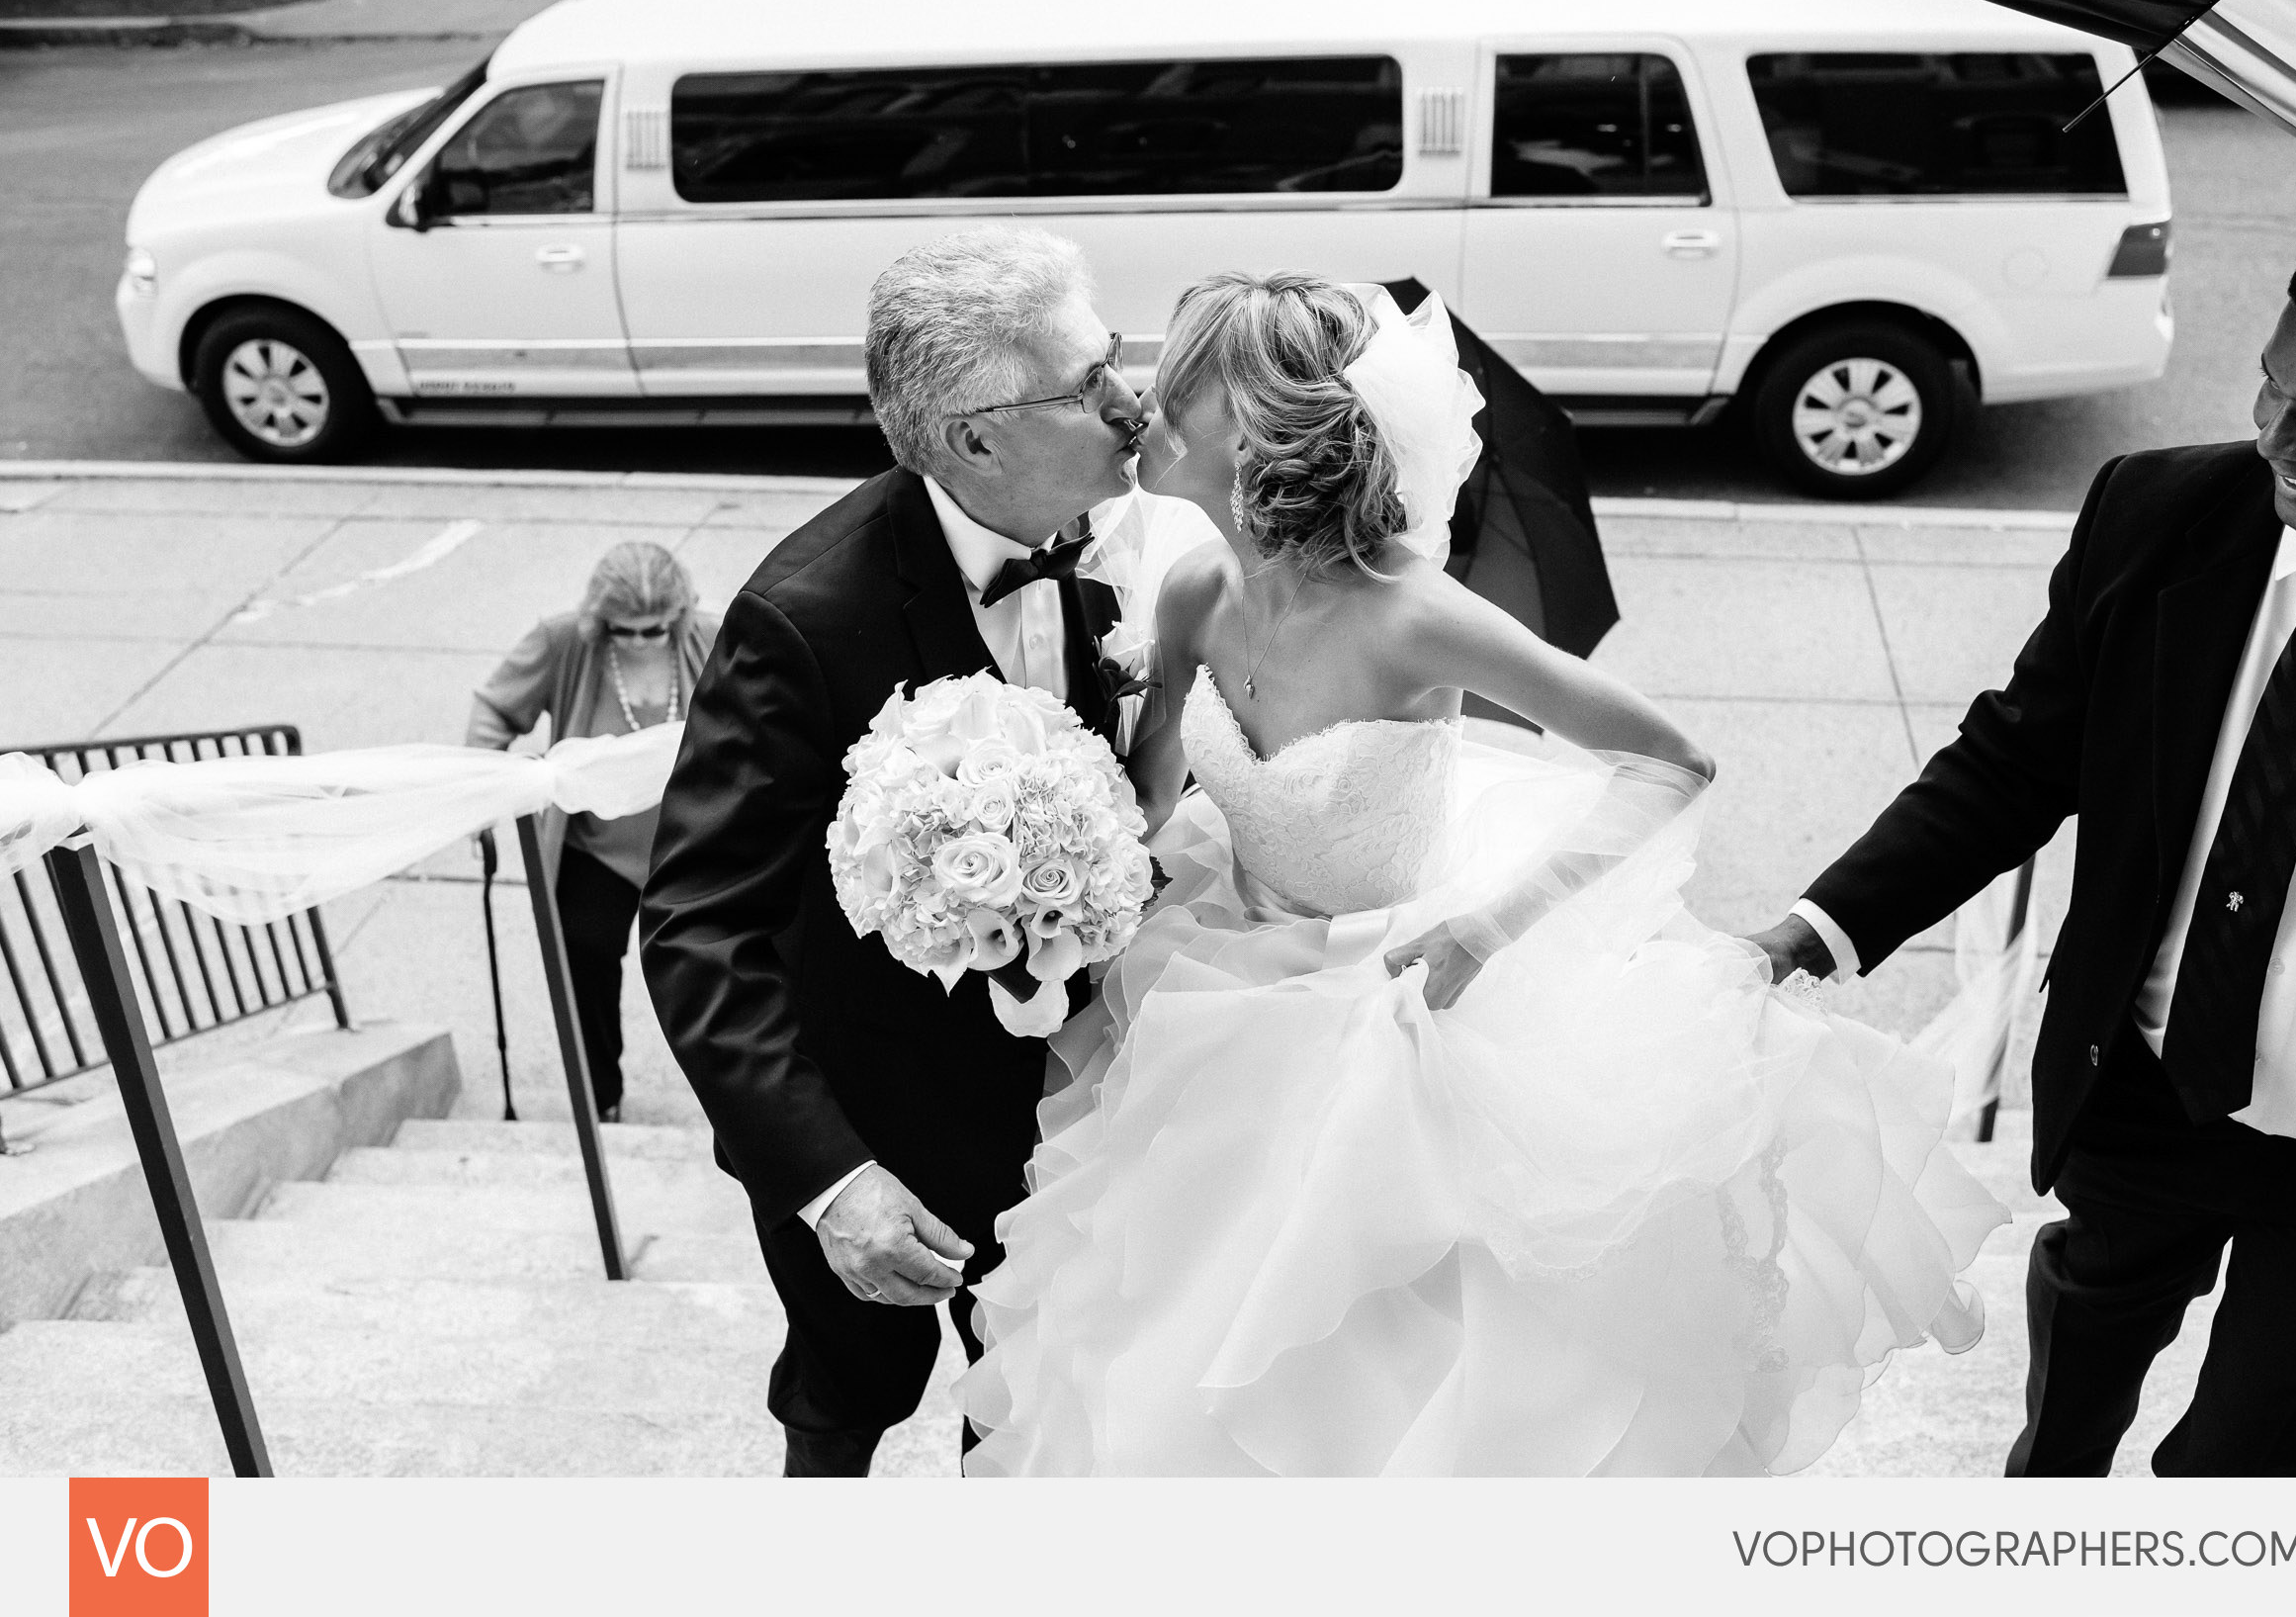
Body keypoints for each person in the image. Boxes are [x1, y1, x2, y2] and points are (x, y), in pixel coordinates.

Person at [957, 273, 2004, 1476]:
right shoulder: (1195, 588)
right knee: (1162, 1345)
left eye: (1173, 381)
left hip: (1392, 1010)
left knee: (1389, 1377)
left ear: (1246, 425)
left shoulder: (1412, 617)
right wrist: (1041, 850)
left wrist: (1491, 930)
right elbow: (1146, 800)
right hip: (1219, 982)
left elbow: (1670, 764)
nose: (1141, 404)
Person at [1747, 216, 2296, 1479]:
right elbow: (2012, 762)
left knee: (2249, 1482)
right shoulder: (2159, 514)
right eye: (2272, 387)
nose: (2275, 440)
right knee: (2059, 1438)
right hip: (2141, 1091)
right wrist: (1806, 936)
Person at [637, 226, 1148, 1477]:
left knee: (1035, 1401)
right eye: (1090, 385)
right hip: (869, 1120)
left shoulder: (1113, 546)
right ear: (977, 435)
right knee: (848, 1388)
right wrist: (830, 1181)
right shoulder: (803, 621)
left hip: (1066, 1113)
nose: (1130, 404)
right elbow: (700, 928)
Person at [467, 541, 716, 1123]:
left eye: (654, 630)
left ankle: (730, 1105)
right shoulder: (564, 642)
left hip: (687, 846)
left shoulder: (713, 637)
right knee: (583, 960)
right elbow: (493, 712)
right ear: (600, 619)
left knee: (703, 977)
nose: (638, 641)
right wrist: (481, 797)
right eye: (623, 630)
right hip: (595, 849)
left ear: (678, 616)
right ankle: (600, 1098)